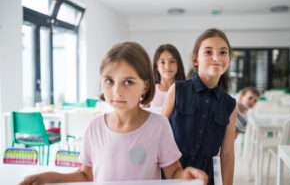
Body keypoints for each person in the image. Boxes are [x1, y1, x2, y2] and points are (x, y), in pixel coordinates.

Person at [20, 42, 207, 185]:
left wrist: (186, 175)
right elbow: (86, 175)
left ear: (145, 86)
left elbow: (173, 173)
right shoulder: (94, 127)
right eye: (109, 81)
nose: (117, 91)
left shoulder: (158, 126)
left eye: (128, 82)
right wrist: (47, 178)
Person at [162, 28, 237, 185]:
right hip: (171, 175)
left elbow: (228, 154)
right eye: (208, 52)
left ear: (229, 60)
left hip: (206, 178)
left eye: (223, 52)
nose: (216, 57)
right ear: (196, 59)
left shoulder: (229, 104)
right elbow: (158, 133)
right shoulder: (177, 90)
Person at [150, 44, 186, 108]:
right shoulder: (150, 91)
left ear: (178, 65)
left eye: (172, 61)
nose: (167, 67)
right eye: (162, 62)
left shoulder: (186, 91)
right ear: (156, 66)